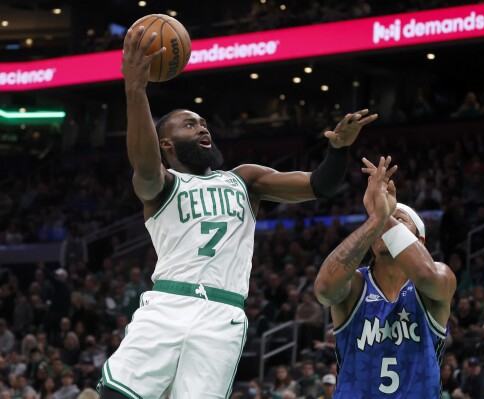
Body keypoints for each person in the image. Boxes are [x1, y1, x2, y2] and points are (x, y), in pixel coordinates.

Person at [98, 26, 378, 399]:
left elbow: (319, 186)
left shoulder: (244, 179)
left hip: (222, 312)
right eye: (189, 123)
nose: (201, 127)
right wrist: (135, 90)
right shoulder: (161, 187)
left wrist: (338, 150)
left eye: (203, 123)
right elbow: (146, 166)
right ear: (165, 143)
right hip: (168, 303)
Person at [314, 157, 456, 397]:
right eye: (380, 225)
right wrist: (379, 217)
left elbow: (425, 275)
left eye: (399, 222)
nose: (385, 229)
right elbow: (325, 290)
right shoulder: (357, 286)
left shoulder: (439, 275)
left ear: (419, 240)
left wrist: (381, 214)